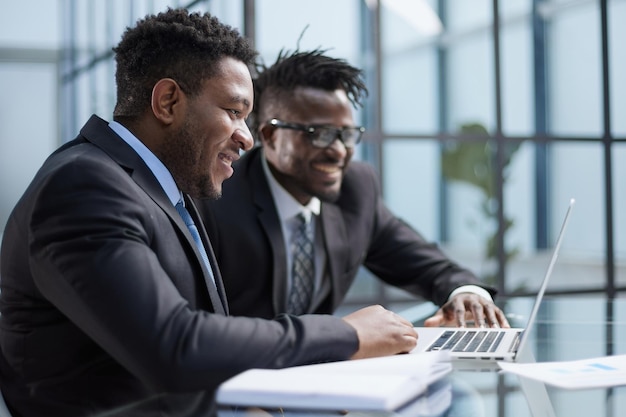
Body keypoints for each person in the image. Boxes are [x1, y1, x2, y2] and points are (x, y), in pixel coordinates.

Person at [0, 10, 418, 417]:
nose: (247, 138)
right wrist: (346, 334)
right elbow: (175, 344)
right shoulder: (85, 187)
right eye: (234, 112)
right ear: (167, 102)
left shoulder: (161, 188)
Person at [197, 49, 510, 329]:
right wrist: (350, 336)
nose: (338, 151)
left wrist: (466, 292)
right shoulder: (216, 194)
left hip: (320, 380)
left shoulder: (356, 189)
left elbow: (425, 264)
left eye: (347, 134)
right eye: (318, 133)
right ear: (270, 136)